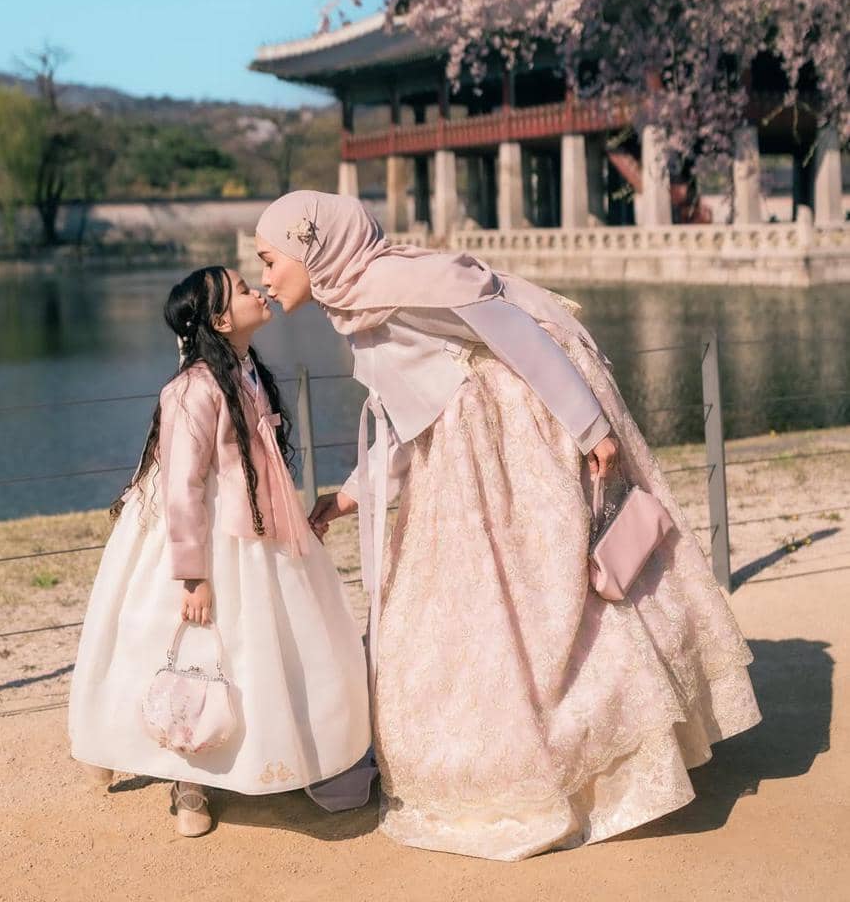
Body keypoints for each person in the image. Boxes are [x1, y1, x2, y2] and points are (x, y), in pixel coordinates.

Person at [253, 190, 762, 862]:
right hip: (459, 457)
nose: (264, 275)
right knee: (474, 618)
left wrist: (588, 424)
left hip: (507, 446)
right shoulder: (353, 300)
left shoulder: (395, 280)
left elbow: (511, 331)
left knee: (548, 604)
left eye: (268, 258)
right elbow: (412, 410)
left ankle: (592, 761)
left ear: (310, 245)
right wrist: (353, 494)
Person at [68, 266, 371, 836]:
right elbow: (182, 486)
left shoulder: (248, 372)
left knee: (264, 647)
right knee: (193, 649)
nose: (259, 289)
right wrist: (192, 576)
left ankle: (298, 752)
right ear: (221, 320)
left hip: (254, 531)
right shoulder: (192, 389)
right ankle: (188, 779)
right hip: (204, 538)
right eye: (242, 291)